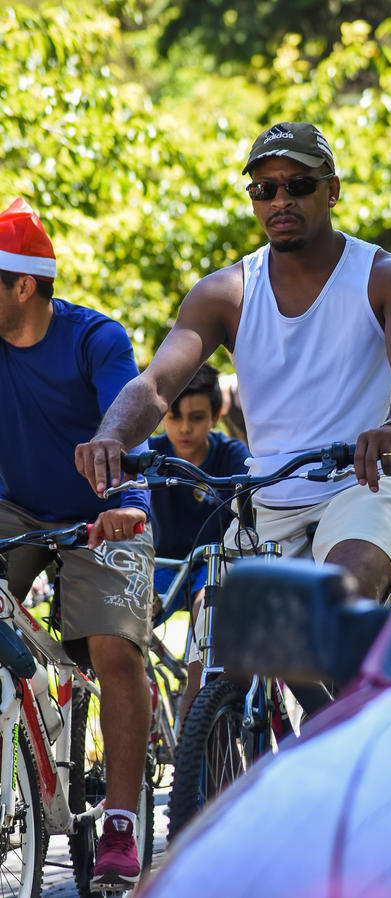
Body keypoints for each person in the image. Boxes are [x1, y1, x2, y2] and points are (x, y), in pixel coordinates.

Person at [76, 120, 391, 635]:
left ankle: (351, 711)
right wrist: (110, 436)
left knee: (336, 609)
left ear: (331, 190)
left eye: (298, 185)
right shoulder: (225, 292)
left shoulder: (387, 276)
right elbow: (156, 385)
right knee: (212, 659)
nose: (279, 201)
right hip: (266, 501)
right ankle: (284, 715)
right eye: (263, 189)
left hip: (368, 484)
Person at [0, 198, 154, 890]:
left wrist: (124, 501)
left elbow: (127, 419)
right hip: (17, 510)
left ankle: (120, 820)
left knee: (115, 648)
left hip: (107, 513)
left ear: (23, 285)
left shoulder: (95, 340)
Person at [149, 363, 249, 719]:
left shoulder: (232, 456)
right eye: (174, 417)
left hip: (213, 562)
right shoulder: (148, 454)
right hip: (163, 566)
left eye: (197, 417)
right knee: (131, 621)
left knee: (207, 627)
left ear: (217, 415)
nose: (185, 428)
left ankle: (202, 717)